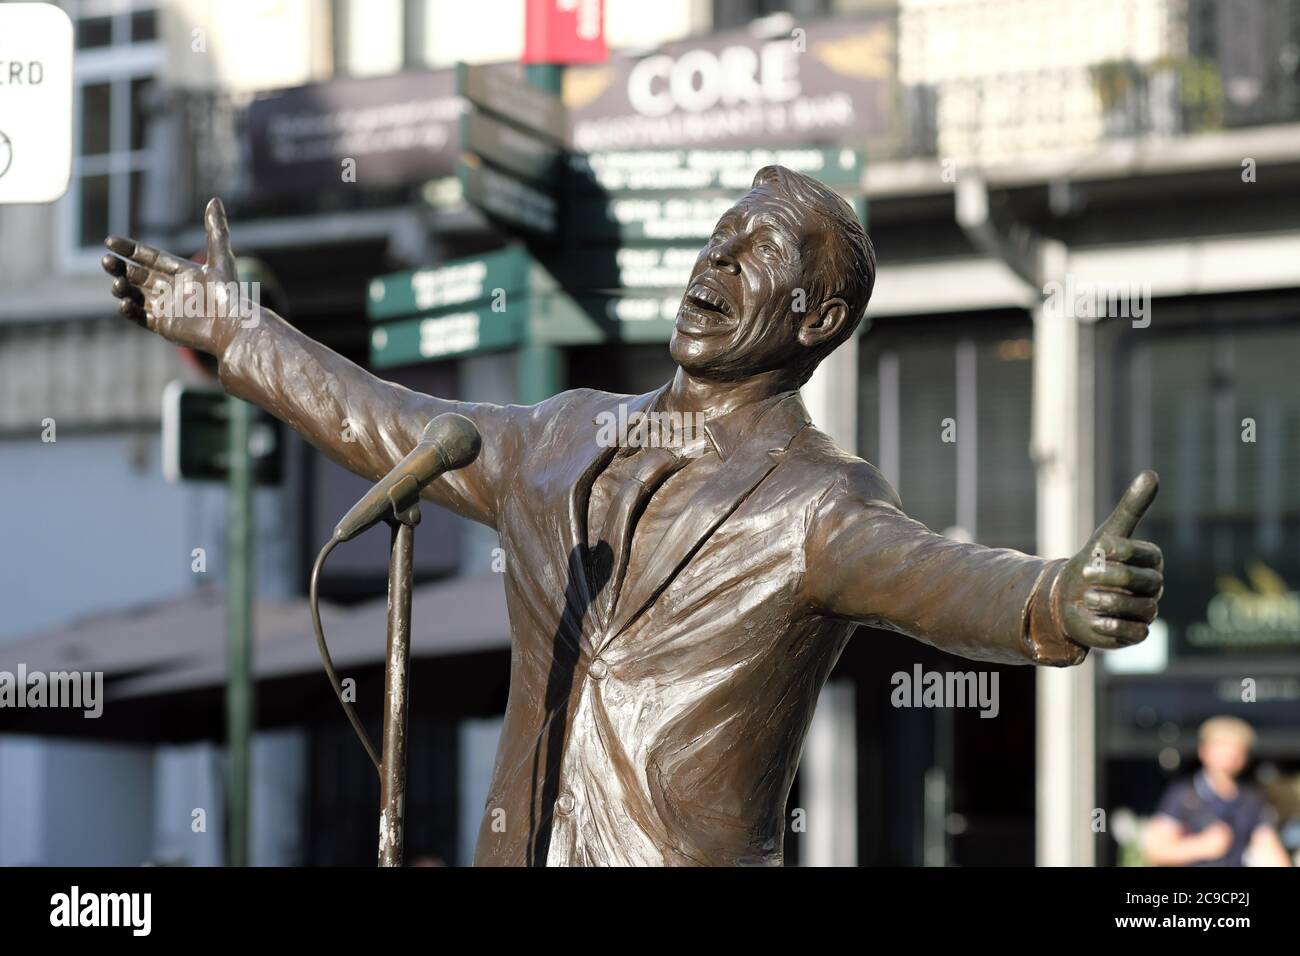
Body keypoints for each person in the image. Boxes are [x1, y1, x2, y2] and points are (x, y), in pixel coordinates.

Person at [100, 166, 1164, 866]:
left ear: (820, 318)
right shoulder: (558, 436)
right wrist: (237, 331)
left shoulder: (816, 503)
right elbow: (383, 422)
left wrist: (1056, 595)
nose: (718, 261)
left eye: (760, 252)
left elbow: (946, 577)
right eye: (718, 238)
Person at [1144, 716, 1292, 866]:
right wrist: (1200, 846)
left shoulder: (1252, 799)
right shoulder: (1182, 794)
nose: (1229, 754)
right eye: (1222, 746)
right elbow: (1156, 851)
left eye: (1236, 748)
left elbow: (1268, 847)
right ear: (1204, 751)